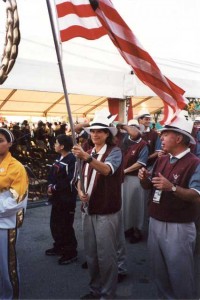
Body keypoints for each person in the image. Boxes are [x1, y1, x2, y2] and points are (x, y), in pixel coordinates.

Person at [138, 115, 200, 299]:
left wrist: (171, 187)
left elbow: (196, 196)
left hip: (178, 226)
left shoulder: (195, 163)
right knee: (160, 274)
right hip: (156, 220)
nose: (161, 138)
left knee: (180, 276)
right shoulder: (163, 159)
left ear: (179, 138)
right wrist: (144, 180)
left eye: (165, 135)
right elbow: (150, 186)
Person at [72, 109, 123, 299]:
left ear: (107, 134)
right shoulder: (89, 150)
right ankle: (95, 290)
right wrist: (79, 191)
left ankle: (108, 294)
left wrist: (87, 157)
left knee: (106, 256)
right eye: (93, 131)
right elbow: (79, 177)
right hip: (88, 209)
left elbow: (107, 170)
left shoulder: (114, 152)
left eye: (100, 131)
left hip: (106, 210)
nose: (95, 134)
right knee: (91, 255)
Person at [0, 128, 28, 300]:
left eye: (1, 140)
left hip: (6, 224)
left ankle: (10, 296)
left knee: (6, 265)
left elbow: (15, 200)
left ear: (10, 143)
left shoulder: (17, 167)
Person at [45, 134, 78, 265]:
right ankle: (59, 246)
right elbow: (52, 174)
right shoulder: (59, 157)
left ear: (62, 146)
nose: (54, 145)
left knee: (66, 226)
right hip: (57, 199)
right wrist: (49, 185)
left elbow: (71, 181)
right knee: (55, 224)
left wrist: (54, 187)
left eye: (56, 143)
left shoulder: (72, 160)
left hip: (67, 199)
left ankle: (71, 252)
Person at [120, 119, 149, 243]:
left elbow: (140, 163)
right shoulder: (124, 142)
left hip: (135, 179)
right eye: (130, 127)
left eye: (135, 127)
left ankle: (137, 231)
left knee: (136, 206)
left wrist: (125, 171)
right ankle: (129, 228)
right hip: (124, 179)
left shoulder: (143, 144)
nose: (132, 130)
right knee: (126, 205)